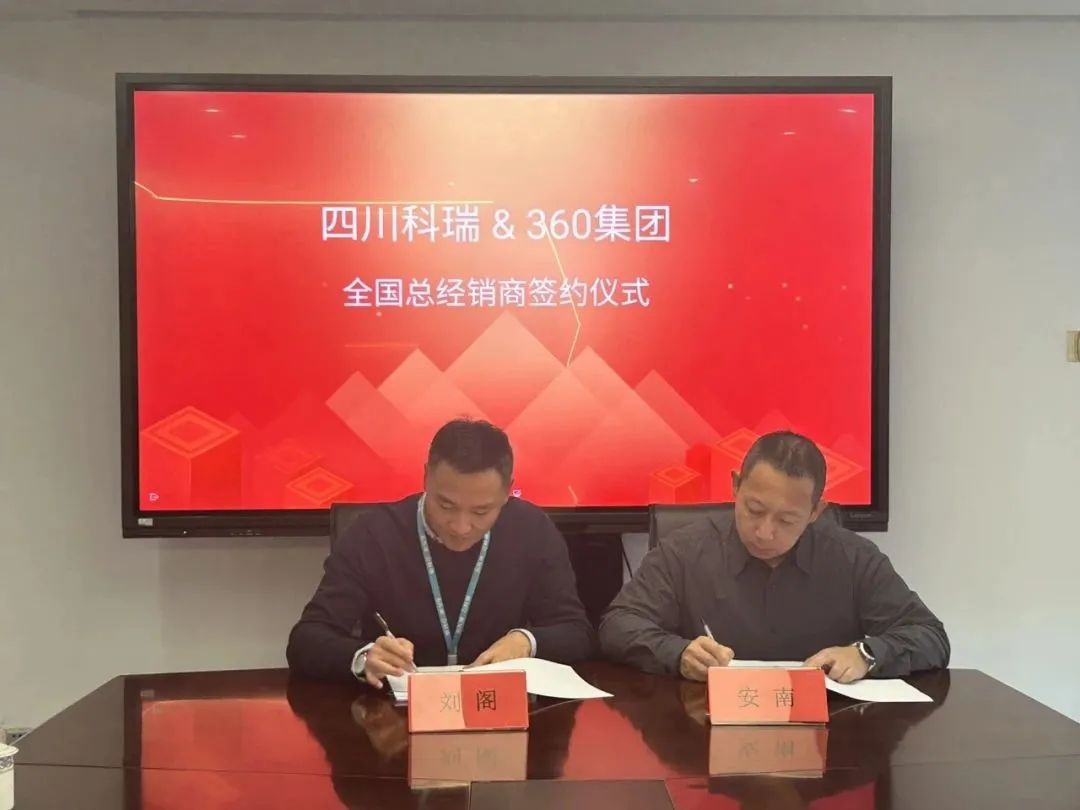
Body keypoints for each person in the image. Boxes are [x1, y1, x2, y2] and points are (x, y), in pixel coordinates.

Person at [599, 431, 949, 683]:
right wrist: (677, 653)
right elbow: (617, 625)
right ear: (736, 486)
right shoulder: (685, 551)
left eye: (786, 520)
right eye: (754, 510)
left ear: (815, 512)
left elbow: (930, 636)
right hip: (704, 734)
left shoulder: (853, 559)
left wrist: (866, 654)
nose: (764, 532)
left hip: (828, 739)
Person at [287, 418, 594, 684]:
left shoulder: (532, 530)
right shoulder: (374, 534)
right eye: (446, 505)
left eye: (481, 511)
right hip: (393, 719)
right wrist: (364, 657)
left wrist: (526, 641)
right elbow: (306, 640)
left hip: (498, 712)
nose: (461, 526)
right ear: (426, 478)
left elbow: (576, 632)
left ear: (507, 492)